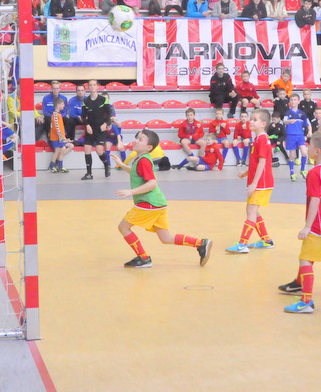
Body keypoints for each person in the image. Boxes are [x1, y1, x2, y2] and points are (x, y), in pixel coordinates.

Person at [111, 129, 212, 269]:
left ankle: (143, 258)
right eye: (137, 138)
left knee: (123, 227)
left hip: (148, 203)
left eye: (140, 139)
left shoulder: (144, 161)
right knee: (166, 238)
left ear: (149, 147)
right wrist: (122, 165)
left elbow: (152, 183)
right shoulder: (140, 159)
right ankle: (200, 243)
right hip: (159, 203)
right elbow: (135, 173)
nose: (136, 141)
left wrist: (131, 192)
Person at [282, 131, 321, 314]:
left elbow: (315, 200)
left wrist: (307, 227)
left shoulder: (314, 172)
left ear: (317, 151)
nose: (307, 148)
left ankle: (306, 301)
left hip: (320, 224)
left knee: (305, 259)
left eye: (310, 146)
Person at [226, 109, 275, 253]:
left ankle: (243, 244)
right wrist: (246, 173)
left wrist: (254, 184)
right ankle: (266, 240)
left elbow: (262, 162)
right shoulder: (258, 139)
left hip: (261, 183)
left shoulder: (262, 139)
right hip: (259, 181)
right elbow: (256, 163)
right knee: (253, 210)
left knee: (251, 210)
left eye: (254, 119)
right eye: (251, 119)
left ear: (263, 124)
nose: (251, 122)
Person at [80, 80, 111, 180]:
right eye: (90, 85)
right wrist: (87, 125)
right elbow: (83, 116)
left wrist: (105, 124)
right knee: (87, 149)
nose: (92, 87)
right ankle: (89, 173)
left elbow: (109, 113)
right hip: (90, 130)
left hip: (100, 129)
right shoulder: (86, 101)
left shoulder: (103, 100)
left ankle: (106, 165)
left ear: (97, 87)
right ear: (88, 87)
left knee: (99, 150)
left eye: (94, 85)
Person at [47, 97, 73, 173]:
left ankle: (60, 166)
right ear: (58, 105)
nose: (63, 106)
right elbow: (57, 127)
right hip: (56, 138)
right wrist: (61, 138)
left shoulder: (58, 114)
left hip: (59, 137)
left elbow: (61, 128)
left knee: (62, 150)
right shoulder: (55, 114)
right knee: (57, 151)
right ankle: (51, 166)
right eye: (62, 104)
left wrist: (64, 138)